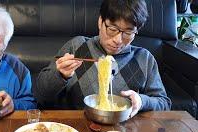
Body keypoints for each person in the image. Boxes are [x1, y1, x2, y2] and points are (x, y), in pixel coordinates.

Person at [36, 0, 171, 117]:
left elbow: (164, 104)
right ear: (100, 21)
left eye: (128, 32)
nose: (118, 40)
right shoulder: (77, 46)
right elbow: (41, 95)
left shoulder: (144, 59)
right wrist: (60, 75)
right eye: (112, 29)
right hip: (77, 129)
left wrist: (142, 101)